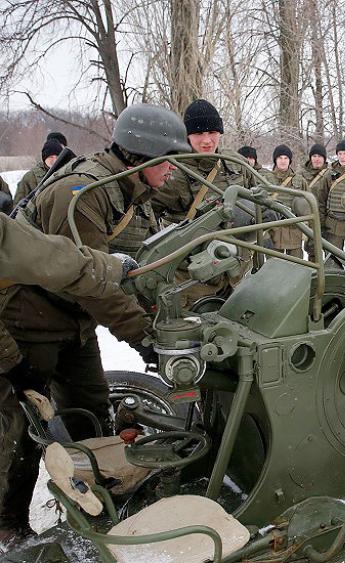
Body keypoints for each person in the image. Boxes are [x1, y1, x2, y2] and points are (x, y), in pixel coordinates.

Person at [0, 103, 190, 545]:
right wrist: (143, 336)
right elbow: (87, 281)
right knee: (26, 427)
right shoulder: (83, 193)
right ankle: (10, 527)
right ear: (140, 157)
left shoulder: (121, 186)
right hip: (31, 320)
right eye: (167, 160)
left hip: (72, 323)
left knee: (90, 407)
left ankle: (101, 497)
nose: (172, 171)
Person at [151, 99, 254, 307]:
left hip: (237, 275)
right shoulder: (173, 171)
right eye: (199, 134)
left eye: (212, 132)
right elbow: (145, 213)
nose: (207, 140)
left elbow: (258, 195)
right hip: (194, 281)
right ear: (187, 135)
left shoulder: (234, 163)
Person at [268, 144, 307, 258]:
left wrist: (306, 227)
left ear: (290, 160)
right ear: (275, 160)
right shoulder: (266, 179)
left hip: (294, 231)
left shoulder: (300, 181)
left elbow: (308, 205)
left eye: (286, 158)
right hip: (273, 231)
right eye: (280, 158)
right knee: (273, 267)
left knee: (296, 267)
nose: (283, 161)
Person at [12, 139, 64, 207]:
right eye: (51, 157)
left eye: (57, 157)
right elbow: (17, 206)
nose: (54, 160)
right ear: (44, 158)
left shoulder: (66, 174)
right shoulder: (30, 177)